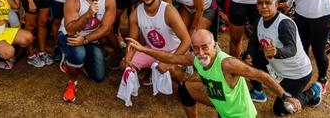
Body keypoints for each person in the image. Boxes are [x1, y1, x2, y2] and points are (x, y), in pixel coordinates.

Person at [127, 29, 301, 118]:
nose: (201, 53)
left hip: (240, 115)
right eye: (196, 48)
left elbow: (261, 75)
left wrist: (285, 96)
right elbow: (171, 58)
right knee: (185, 88)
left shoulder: (228, 64)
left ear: (214, 45)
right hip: (221, 106)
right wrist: (143, 49)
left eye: (205, 47)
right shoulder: (195, 58)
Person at [244, 0, 322, 114]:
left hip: (296, 74)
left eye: (268, 3)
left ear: (276, 5)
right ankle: (258, 92)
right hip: (277, 67)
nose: (264, 6)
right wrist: (249, 55)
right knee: (251, 57)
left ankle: (312, 92)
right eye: (260, 3)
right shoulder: (260, 19)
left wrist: (277, 52)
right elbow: (254, 42)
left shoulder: (284, 24)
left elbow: (292, 49)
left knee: (281, 109)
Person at [58, 0, 117, 102]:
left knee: (98, 76)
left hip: (89, 38)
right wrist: (88, 15)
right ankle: (72, 82)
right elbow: (71, 29)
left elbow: (106, 29)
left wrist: (85, 39)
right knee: (78, 54)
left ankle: (78, 58)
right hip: (70, 35)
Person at [123, 0, 191, 88]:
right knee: (126, 66)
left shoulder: (169, 11)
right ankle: (153, 70)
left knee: (172, 70)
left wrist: (170, 61)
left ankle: (185, 87)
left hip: (174, 50)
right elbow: (133, 41)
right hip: (152, 50)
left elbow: (187, 41)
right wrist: (127, 58)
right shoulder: (135, 14)